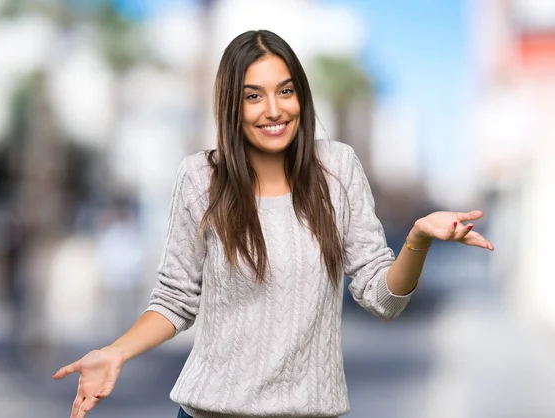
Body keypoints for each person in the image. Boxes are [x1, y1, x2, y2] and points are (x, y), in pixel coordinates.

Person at [52, 29, 494, 418]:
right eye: (253, 95)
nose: (273, 109)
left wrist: (417, 239)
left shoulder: (337, 168)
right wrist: (115, 353)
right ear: (231, 105)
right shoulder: (199, 178)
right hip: (210, 413)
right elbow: (175, 299)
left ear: (301, 95)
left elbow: (383, 300)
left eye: (285, 91)